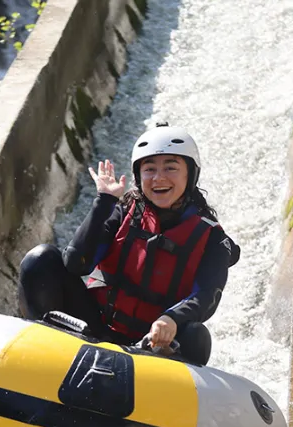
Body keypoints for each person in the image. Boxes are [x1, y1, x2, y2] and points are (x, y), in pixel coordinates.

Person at [17, 123, 240, 365]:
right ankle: (39, 356)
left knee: (196, 336)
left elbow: (207, 296)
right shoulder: (122, 211)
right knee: (40, 259)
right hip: (94, 327)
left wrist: (171, 319)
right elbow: (75, 263)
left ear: (190, 174)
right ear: (138, 176)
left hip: (152, 345)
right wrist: (103, 202)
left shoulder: (213, 238)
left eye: (171, 167)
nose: (159, 177)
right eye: (149, 169)